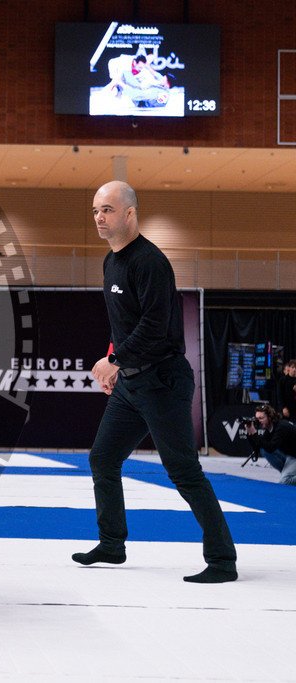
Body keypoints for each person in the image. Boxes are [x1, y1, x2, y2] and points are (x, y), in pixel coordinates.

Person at [76, 180, 237, 583]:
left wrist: (114, 361)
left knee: (183, 470)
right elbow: (123, 323)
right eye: (96, 210)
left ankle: (222, 560)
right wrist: (119, 367)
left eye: (108, 209)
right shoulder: (110, 261)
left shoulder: (149, 262)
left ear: (130, 212)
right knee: (103, 459)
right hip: (133, 383)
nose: (99, 217)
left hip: (163, 379)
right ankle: (112, 545)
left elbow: (155, 328)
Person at [245, 404, 296, 485]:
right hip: (290, 455)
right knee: (263, 449)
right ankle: (287, 472)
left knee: (284, 481)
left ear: (270, 417)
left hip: (294, 456)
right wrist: (250, 434)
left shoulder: (281, 427)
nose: (259, 421)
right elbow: (258, 448)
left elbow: (271, 448)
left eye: (261, 418)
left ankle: (288, 474)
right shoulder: (270, 429)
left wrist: (255, 434)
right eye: (257, 419)